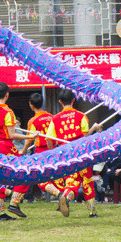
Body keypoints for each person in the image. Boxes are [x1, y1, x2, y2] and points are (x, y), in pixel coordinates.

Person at [0, 82, 38, 220]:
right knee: (25, 171)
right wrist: (30, 136)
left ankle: (1, 213)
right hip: (5, 147)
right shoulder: (8, 112)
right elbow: (12, 135)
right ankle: (14, 203)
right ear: (7, 95)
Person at [45, 89, 102, 218]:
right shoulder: (81, 115)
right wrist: (94, 128)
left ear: (60, 102)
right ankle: (92, 212)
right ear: (73, 100)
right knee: (87, 181)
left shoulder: (55, 119)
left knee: (72, 182)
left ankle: (66, 197)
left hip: (66, 154)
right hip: (82, 153)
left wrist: (52, 152)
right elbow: (85, 135)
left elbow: (48, 138)